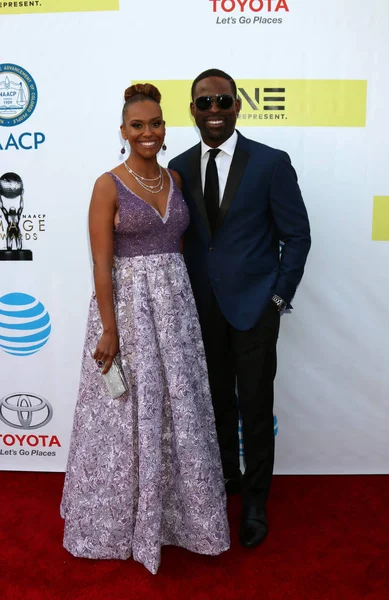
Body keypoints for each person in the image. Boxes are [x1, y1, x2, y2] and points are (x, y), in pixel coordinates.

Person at [61, 83, 230, 575]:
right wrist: (109, 330)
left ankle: (180, 520)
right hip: (129, 311)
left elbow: (179, 248)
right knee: (127, 413)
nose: (148, 132)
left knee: (179, 410)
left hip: (175, 311)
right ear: (123, 131)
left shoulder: (175, 178)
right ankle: (119, 522)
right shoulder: (107, 185)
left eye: (155, 123)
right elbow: (100, 265)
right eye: (138, 125)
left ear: (164, 125)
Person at [169, 69, 311, 549]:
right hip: (201, 309)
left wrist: (277, 298)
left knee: (254, 406)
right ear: (192, 110)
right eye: (204, 103)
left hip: (255, 309)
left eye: (223, 101)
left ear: (237, 106)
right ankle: (225, 480)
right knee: (214, 405)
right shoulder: (180, 167)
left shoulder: (270, 163)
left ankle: (255, 504)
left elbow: (297, 236)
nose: (214, 111)